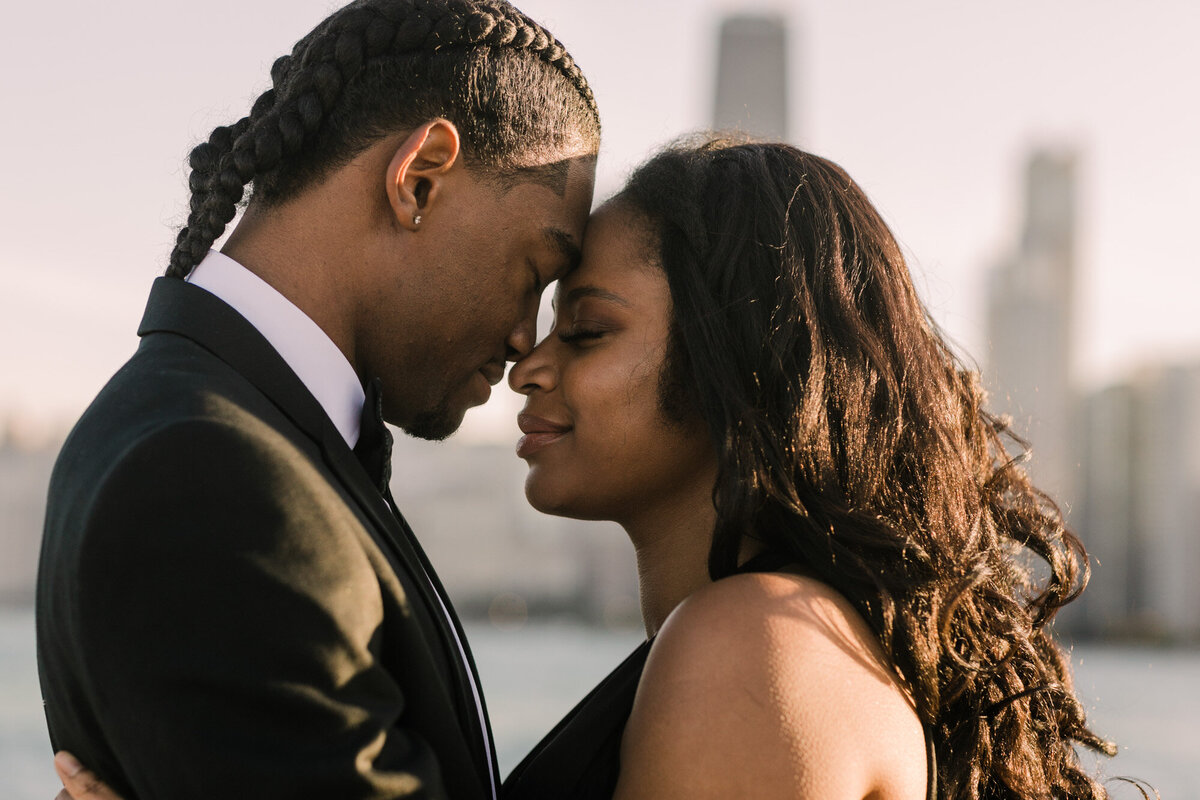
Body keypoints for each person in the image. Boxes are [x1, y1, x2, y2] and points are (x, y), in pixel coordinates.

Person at [53, 139, 1127, 800]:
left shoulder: (752, 648)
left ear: (738, 371)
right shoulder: (757, 634)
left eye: (590, 330)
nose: (529, 362)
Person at [37, 0, 599, 798]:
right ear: (421, 178)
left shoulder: (232, 433)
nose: (523, 341)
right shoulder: (213, 479)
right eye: (536, 273)